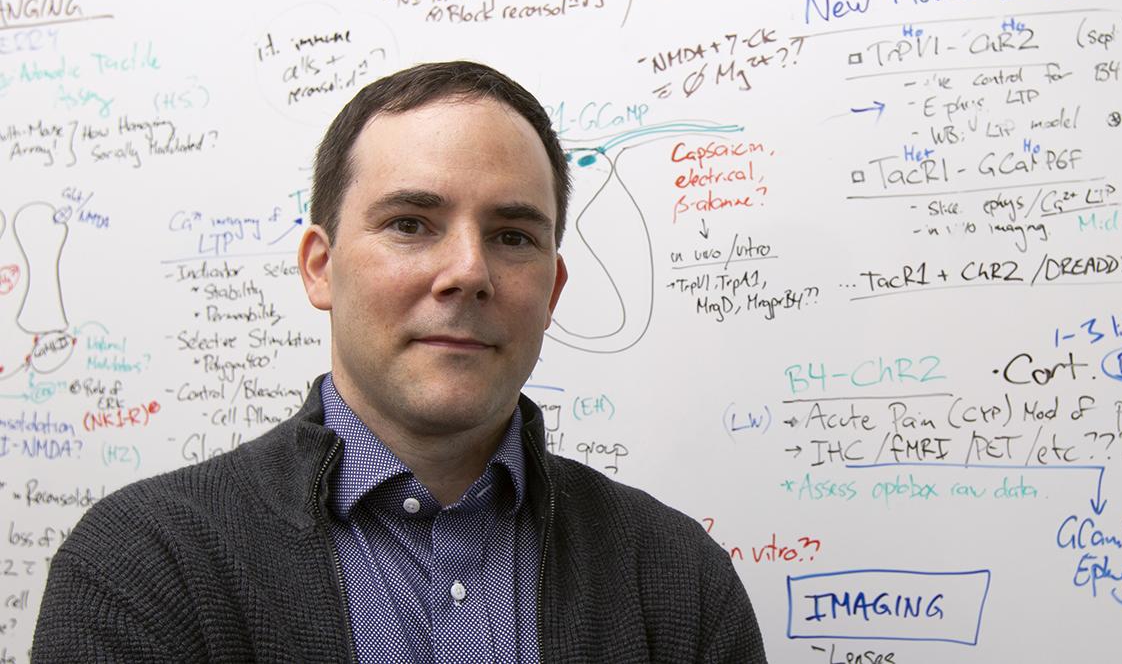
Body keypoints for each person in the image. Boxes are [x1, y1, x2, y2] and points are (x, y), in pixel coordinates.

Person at [32, 61, 766, 663]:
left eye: (513, 236)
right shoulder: (144, 565)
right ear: (320, 268)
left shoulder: (676, 578)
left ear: (552, 290)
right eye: (411, 224)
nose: (468, 272)